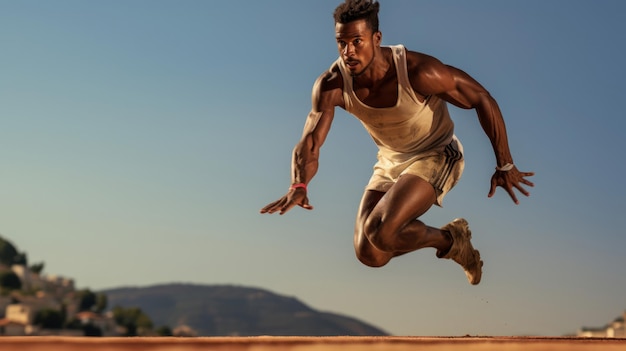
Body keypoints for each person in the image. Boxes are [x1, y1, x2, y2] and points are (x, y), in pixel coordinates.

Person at [260, 0, 534, 285]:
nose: (348, 51)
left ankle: (449, 239)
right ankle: (450, 240)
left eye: (357, 41)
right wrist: (299, 184)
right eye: (341, 43)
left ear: (377, 39)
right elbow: (311, 142)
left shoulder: (417, 71)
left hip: (437, 153)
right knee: (370, 253)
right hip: (391, 159)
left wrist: (505, 163)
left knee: (380, 230)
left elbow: (481, 98)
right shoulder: (332, 84)